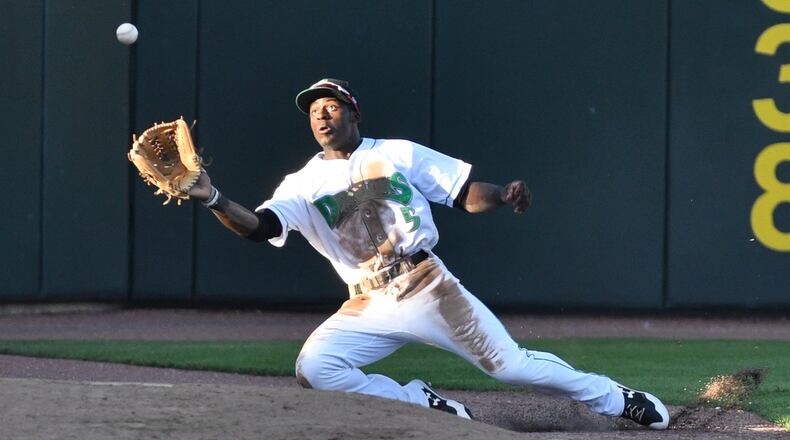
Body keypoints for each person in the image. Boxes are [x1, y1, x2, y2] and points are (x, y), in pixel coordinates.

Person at [187, 78, 670, 429]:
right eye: (313, 110)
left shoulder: (397, 153)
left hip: (427, 286)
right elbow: (260, 226)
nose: (321, 114)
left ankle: (613, 397)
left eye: (331, 105)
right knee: (316, 367)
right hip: (366, 304)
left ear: (354, 113)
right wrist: (213, 198)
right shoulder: (302, 184)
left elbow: (462, 192)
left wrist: (502, 194)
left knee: (510, 366)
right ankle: (418, 402)